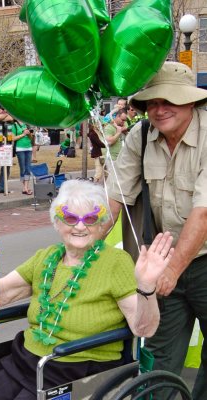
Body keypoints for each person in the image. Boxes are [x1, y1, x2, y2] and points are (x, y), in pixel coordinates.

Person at [0, 179, 174, 400]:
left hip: (77, 369)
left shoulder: (116, 262)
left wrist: (146, 286)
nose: (81, 226)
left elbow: (144, 330)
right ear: (57, 222)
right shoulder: (45, 257)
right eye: (71, 218)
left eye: (91, 218)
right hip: (25, 361)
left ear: (102, 223)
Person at [106, 61, 207, 400]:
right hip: (165, 261)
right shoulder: (141, 135)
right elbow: (115, 196)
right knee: (159, 358)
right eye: (152, 102)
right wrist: (80, 237)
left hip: (198, 260)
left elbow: (203, 213)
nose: (159, 110)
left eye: (169, 101)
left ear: (190, 101)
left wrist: (174, 269)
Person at [12, 120, 33, 195]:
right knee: (23, 168)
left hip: (29, 148)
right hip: (20, 148)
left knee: (28, 168)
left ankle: (26, 187)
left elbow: (31, 138)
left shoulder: (27, 124)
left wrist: (29, 133)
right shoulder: (14, 125)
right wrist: (23, 134)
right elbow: (12, 138)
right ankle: (25, 187)